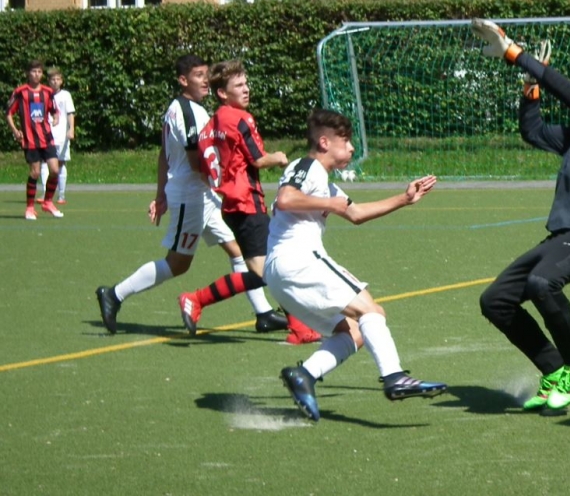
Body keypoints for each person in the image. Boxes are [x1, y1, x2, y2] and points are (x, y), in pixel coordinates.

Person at [471, 19, 570, 412]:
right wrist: (531, 88)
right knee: (495, 301)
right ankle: (553, 368)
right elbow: (534, 132)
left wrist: (515, 54)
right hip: (560, 236)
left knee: (543, 283)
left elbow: (569, 92)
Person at [272, 109, 447, 421]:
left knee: (353, 332)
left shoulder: (325, 183)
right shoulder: (306, 166)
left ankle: (305, 375)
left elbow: (355, 213)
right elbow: (285, 199)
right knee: (371, 310)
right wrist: (328, 204)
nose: (352, 148)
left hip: (282, 273)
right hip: (298, 259)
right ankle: (394, 377)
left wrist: (404, 199)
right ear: (324, 142)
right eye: (346, 140)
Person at [95, 54, 288, 336]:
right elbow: (198, 163)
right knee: (178, 264)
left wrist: (161, 194)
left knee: (237, 250)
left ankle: (264, 313)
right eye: (199, 76)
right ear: (183, 80)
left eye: (206, 75)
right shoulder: (189, 113)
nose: (205, 81)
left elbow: (164, 154)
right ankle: (114, 294)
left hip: (203, 194)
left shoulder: (183, 109)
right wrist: (228, 174)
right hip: (192, 195)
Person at [180, 59, 318, 343]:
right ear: (222, 93)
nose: (246, 89)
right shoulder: (242, 119)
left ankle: (298, 327)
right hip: (246, 203)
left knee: (266, 269)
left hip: (231, 205)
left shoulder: (210, 125)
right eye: (239, 85)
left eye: (246, 83)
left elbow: (204, 168)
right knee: (272, 269)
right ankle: (197, 299)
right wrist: (278, 158)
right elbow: (258, 159)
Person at [7, 59, 62, 220]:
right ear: (28, 73)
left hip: (47, 138)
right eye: (33, 71)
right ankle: (30, 208)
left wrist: (56, 117)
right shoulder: (21, 92)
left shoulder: (48, 92)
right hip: (30, 140)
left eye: (39, 72)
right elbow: (8, 113)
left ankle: (48, 202)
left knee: (55, 170)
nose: (36, 74)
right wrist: (15, 130)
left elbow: (54, 110)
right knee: (35, 172)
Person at [38, 67, 74, 204]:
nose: (55, 82)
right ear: (48, 81)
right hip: (46, 134)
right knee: (44, 163)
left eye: (58, 79)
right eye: (53, 79)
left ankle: (61, 195)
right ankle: (45, 193)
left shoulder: (66, 95)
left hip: (61, 136)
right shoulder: (43, 94)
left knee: (60, 163)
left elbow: (70, 113)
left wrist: (71, 129)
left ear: (61, 81)